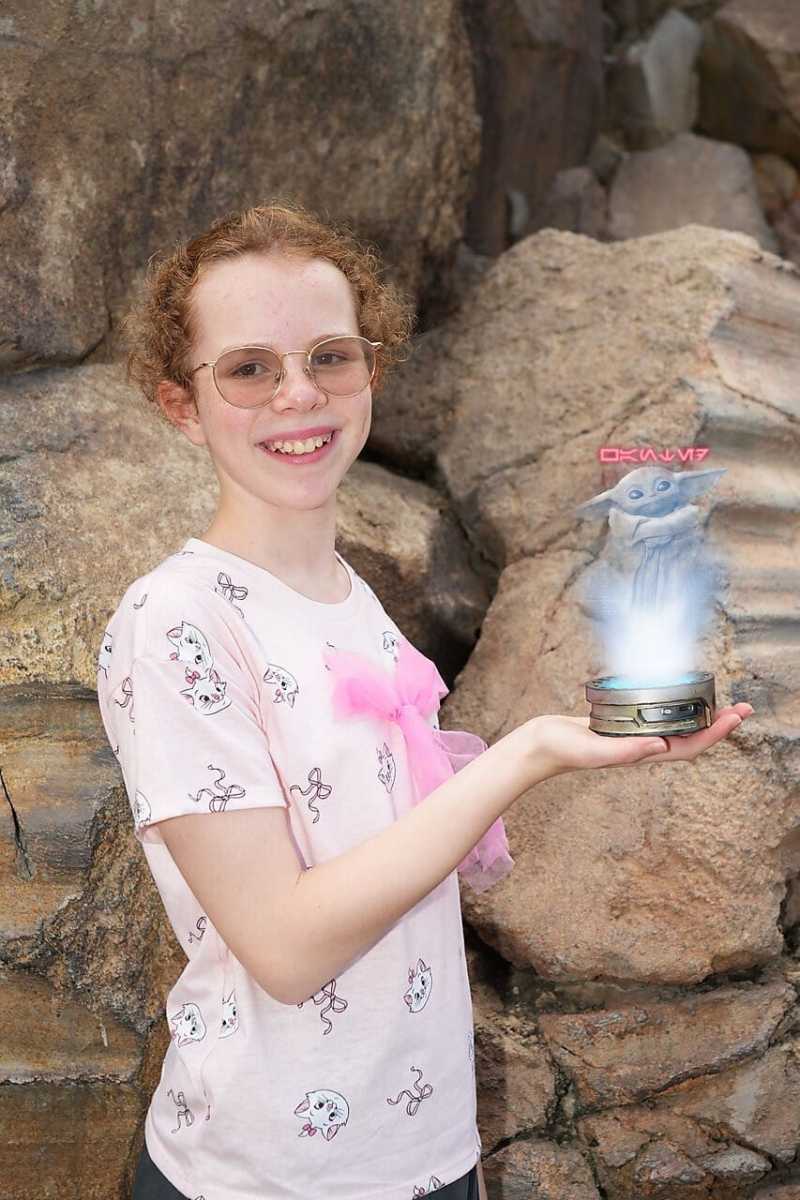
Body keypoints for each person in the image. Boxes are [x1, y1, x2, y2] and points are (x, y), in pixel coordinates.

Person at [95, 200, 753, 1200]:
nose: (298, 394)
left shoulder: (348, 594)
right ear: (182, 405)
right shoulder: (175, 621)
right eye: (248, 369)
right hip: (268, 1176)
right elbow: (284, 948)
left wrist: (457, 1162)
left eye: (329, 357)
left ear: (372, 368)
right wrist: (526, 754)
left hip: (428, 1153)